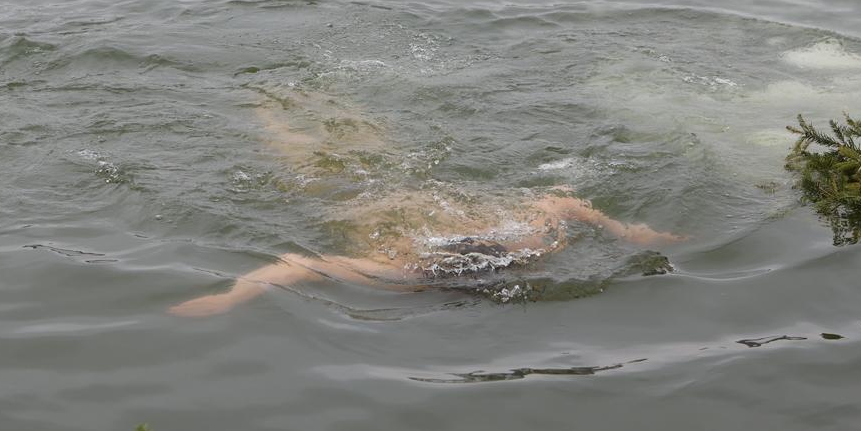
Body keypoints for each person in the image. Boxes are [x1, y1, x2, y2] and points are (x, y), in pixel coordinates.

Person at [169, 89, 682, 317]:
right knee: (335, 153)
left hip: (367, 192)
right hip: (363, 193)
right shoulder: (402, 271)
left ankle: (273, 107)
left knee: (316, 154)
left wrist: (633, 234)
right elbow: (563, 201)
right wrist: (633, 234)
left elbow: (561, 202)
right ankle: (271, 104)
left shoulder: (518, 247)